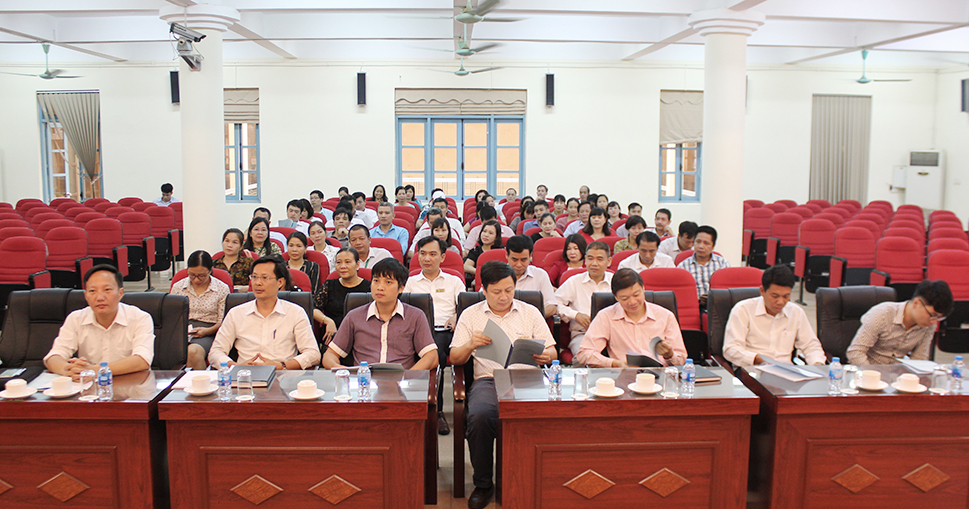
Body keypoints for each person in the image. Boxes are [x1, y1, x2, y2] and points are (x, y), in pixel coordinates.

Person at [450, 261, 556, 509]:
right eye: (496, 291)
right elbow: (455, 357)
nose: (504, 297)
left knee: (546, 416)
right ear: (483, 290)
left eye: (509, 290)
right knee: (480, 416)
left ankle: (537, 478)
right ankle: (484, 484)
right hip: (489, 379)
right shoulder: (471, 314)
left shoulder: (530, 312)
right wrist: (470, 344)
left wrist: (545, 356)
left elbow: (552, 350)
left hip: (527, 379)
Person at [323, 258, 438, 371]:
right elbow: (330, 355)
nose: (380, 287)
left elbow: (432, 357)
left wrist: (407, 377)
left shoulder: (415, 316)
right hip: (364, 380)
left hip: (401, 380)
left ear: (401, 288)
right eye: (376, 281)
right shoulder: (354, 316)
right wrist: (346, 372)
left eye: (388, 282)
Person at [44, 265, 154, 380]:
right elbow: (54, 356)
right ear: (86, 296)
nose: (100, 297)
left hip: (130, 385)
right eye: (92, 291)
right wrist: (68, 370)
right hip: (89, 386)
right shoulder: (76, 318)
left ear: (120, 293)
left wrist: (94, 370)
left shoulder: (140, 318)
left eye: (107, 290)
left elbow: (142, 360)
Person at [209, 256, 321, 369]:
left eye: (264, 278)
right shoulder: (236, 313)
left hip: (282, 374)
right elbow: (216, 352)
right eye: (254, 277)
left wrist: (281, 366)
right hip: (245, 374)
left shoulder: (295, 313)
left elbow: (313, 353)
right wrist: (235, 366)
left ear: (280, 282)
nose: (257, 283)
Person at [404, 236, 466, 435]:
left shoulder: (454, 281)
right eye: (422, 254)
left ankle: (437, 411)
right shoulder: (411, 282)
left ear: (443, 257)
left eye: (432, 254)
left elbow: (465, 308)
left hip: (446, 331)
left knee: (436, 353)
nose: (427, 258)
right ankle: (414, 406)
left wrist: (456, 317)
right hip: (418, 332)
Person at [577, 268, 687, 367]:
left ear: (643, 289)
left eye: (636, 295)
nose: (632, 302)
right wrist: (614, 363)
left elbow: (681, 359)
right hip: (624, 375)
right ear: (616, 297)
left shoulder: (665, 316)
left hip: (660, 375)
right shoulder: (606, 316)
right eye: (625, 298)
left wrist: (669, 355)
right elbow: (584, 353)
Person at [722, 265, 826, 367]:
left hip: (786, 371)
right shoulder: (743, 309)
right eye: (775, 296)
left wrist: (818, 365)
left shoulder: (796, 312)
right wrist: (757, 359)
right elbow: (731, 349)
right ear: (762, 291)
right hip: (752, 369)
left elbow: (811, 346)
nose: (780, 302)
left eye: (786, 296)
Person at [846, 279, 953, 365]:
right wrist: (873, 377)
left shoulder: (928, 326)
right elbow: (855, 353)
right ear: (917, 303)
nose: (933, 321)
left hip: (897, 376)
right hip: (868, 371)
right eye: (932, 315)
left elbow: (919, 359)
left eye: (938, 318)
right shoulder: (882, 314)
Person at [555, 241, 614, 361]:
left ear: (609, 261)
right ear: (585, 260)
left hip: (613, 334)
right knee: (584, 358)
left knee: (626, 357)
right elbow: (555, 304)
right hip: (583, 334)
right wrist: (575, 315)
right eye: (590, 258)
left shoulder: (616, 282)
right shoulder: (574, 281)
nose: (594, 263)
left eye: (599, 259)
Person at [173, 250, 230, 370]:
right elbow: (171, 316)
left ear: (210, 271)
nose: (196, 280)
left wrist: (207, 331)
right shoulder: (178, 287)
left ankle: (199, 381)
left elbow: (224, 321)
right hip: (181, 330)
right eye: (192, 275)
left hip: (209, 330)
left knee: (193, 351)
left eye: (201, 276)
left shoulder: (221, 288)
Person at [317, 248, 371, 342]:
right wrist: (328, 321)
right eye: (338, 262)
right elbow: (314, 308)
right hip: (334, 336)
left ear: (357, 265)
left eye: (347, 262)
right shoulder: (329, 285)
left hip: (363, 337)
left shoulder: (370, 287)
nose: (342, 266)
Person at [677, 225, 730, 306]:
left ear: (713, 246)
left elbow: (728, 290)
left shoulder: (723, 264)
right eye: (698, 242)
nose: (701, 246)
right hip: (691, 306)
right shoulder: (683, 266)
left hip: (717, 306)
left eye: (706, 243)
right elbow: (680, 293)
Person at [506, 235, 557, 317]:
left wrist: (532, 319)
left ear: (530, 256)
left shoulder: (540, 275)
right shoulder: (495, 275)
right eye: (514, 260)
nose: (519, 265)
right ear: (506, 255)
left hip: (532, 322)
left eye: (523, 260)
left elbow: (552, 307)